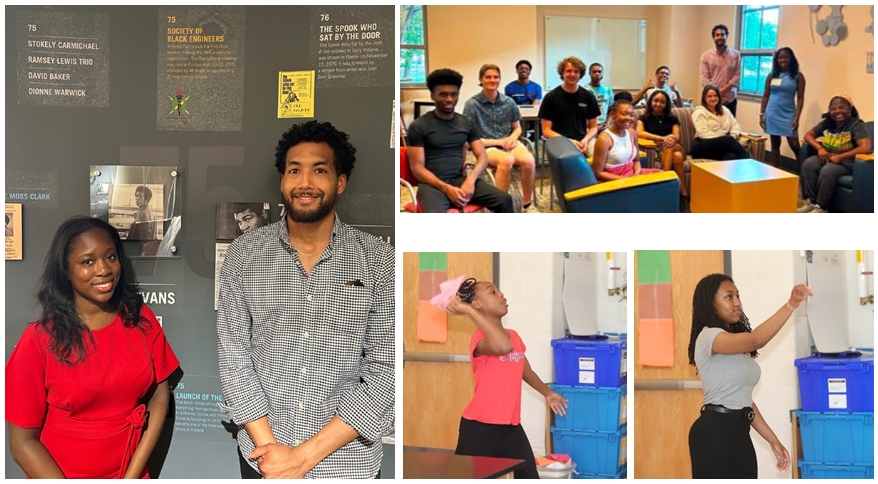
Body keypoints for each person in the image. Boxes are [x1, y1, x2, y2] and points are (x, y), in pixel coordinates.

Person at [217, 120, 394, 479]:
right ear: (282, 181)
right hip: (263, 455)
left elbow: (386, 371)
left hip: (345, 464)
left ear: (340, 182)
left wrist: (302, 458)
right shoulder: (244, 254)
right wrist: (274, 454)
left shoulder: (378, 260)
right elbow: (234, 357)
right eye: (294, 170)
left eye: (320, 170)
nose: (305, 183)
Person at [6, 216, 179, 478]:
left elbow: (158, 397)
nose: (104, 270)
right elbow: (22, 443)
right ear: (66, 270)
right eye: (88, 262)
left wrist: (132, 476)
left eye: (110, 257)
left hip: (129, 473)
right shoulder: (40, 339)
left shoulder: (141, 320)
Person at [687, 273, 810, 478]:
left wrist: (772, 440)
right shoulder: (710, 337)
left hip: (738, 433)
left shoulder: (734, 345)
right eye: (728, 297)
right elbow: (756, 340)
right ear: (710, 303)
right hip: (715, 432)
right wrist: (791, 304)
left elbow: (745, 402)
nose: (737, 302)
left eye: (737, 296)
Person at [448, 278, 568, 480]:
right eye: (492, 292)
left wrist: (547, 393)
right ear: (477, 304)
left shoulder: (514, 336)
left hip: (511, 429)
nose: (501, 295)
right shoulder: (479, 340)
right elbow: (503, 347)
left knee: (529, 477)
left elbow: (524, 369)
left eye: (499, 291)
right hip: (479, 428)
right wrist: (468, 311)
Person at [407, 68, 514, 213]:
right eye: (443, 94)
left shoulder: (466, 123)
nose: (449, 99)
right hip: (432, 185)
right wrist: (446, 188)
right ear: (432, 96)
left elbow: (482, 156)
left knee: (504, 200)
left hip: (460, 180)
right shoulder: (418, 126)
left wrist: (470, 180)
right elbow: (417, 169)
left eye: (453, 94)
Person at [463, 64, 538, 213]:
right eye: (488, 77)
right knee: (506, 161)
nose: (492, 80)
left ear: (500, 79)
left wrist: (512, 137)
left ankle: (528, 205)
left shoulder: (508, 102)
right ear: (481, 79)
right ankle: (501, 208)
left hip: (509, 143)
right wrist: (499, 142)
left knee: (529, 160)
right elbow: (471, 138)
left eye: (496, 77)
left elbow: (517, 128)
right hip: (486, 146)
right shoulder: (472, 104)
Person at [798, 95, 872, 213]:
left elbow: (865, 147)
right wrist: (820, 148)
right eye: (833, 108)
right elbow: (808, 135)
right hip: (828, 157)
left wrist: (840, 157)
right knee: (809, 164)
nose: (837, 111)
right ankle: (810, 202)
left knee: (828, 170)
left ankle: (821, 207)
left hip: (849, 161)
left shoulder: (856, 125)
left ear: (849, 109)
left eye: (841, 107)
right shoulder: (827, 123)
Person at [539, 56, 601, 155]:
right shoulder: (550, 97)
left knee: (600, 155)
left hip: (583, 140)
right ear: (562, 73)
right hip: (559, 141)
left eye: (576, 71)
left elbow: (593, 127)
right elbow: (546, 131)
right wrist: (569, 141)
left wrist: (585, 140)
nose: (572, 74)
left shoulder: (588, 96)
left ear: (580, 74)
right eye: (568, 71)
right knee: (572, 157)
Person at [591, 100, 662, 182]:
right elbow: (597, 173)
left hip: (632, 175)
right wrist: (627, 180)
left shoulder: (632, 133)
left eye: (631, 115)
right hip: (614, 180)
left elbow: (636, 160)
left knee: (664, 177)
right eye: (624, 114)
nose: (629, 118)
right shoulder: (604, 139)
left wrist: (637, 173)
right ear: (613, 115)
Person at [759, 47, 806, 168]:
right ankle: (776, 172)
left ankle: (804, 175)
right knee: (775, 144)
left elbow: (800, 98)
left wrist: (797, 117)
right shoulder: (771, 75)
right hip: (772, 113)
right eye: (780, 58)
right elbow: (765, 96)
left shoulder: (798, 76)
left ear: (791, 59)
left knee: (795, 145)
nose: (782, 60)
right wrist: (761, 114)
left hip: (789, 113)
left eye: (785, 57)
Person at [637, 90, 687, 199]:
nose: (658, 104)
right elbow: (639, 132)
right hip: (657, 151)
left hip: (677, 147)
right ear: (651, 101)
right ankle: (683, 192)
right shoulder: (643, 118)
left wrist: (667, 140)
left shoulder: (672, 118)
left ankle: (665, 180)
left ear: (666, 104)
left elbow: (676, 136)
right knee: (677, 157)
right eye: (656, 100)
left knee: (669, 146)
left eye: (662, 102)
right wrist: (662, 138)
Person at [690, 84, 749, 161]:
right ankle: (749, 163)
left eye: (715, 95)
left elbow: (735, 125)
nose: (713, 98)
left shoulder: (724, 110)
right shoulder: (699, 112)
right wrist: (723, 139)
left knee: (731, 157)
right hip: (702, 145)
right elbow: (703, 133)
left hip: (721, 146)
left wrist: (734, 134)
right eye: (709, 96)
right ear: (704, 98)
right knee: (728, 140)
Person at [700, 24, 741, 116]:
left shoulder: (735, 55)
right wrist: (716, 94)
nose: (720, 37)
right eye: (717, 35)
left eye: (722, 34)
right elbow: (704, 79)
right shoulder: (706, 56)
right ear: (713, 37)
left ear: (726, 36)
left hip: (730, 99)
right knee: (712, 126)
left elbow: (736, 76)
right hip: (711, 100)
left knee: (730, 127)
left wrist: (721, 91)